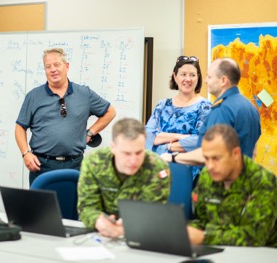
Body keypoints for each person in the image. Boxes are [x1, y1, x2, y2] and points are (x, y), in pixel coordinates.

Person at [15, 48, 116, 185]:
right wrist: (25, 153)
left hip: (75, 165)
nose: (53, 70)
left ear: (66, 66)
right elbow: (20, 127)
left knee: (73, 205)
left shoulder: (84, 94)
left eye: (57, 64)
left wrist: (90, 132)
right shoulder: (34, 96)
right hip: (41, 166)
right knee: (43, 207)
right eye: (48, 66)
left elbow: (110, 112)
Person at [77, 118, 170, 238]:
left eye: (138, 152)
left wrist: (129, 225)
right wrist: (100, 222)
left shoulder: (157, 167)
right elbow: (86, 207)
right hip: (101, 234)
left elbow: (153, 213)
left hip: (142, 235)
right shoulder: (94, 162)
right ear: (113, 148)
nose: (133, 160)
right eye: (126, 153)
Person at [187, 124, 277, 246]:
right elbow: (202, 221)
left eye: (216, 158)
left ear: (235, 154)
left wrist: (205, 237)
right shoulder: (206, 176)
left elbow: (254, 236)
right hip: (216, 252)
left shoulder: (263, 181)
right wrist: (183, 231)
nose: (210, 166)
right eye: (206, 159)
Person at [161, 58, 261, 167]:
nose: (205, 81)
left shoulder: (222, 110)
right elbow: (254, 151)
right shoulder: (251, 107)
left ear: (223, 80)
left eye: (209, 77)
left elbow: (208, 154)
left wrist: (173, 157)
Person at [146, 56, 211, 155]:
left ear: (198, 77)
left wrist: (166, 142)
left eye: (192, 75)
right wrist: (179, 137)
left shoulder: (205, 107)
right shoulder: (162, 105)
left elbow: (200, 140)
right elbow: (147, 135)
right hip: (160, 166)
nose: (188, 79)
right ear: (175, 76)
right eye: (183, 74)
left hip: (189, 166)